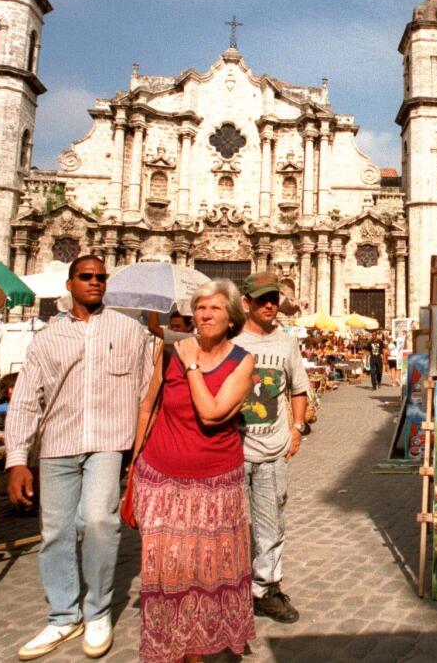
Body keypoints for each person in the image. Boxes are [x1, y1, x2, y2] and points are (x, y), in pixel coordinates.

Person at [5, 256, 153, 661]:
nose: (95, 282)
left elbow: (145, 392)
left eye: (101, 277)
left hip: (108, 442)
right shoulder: (46, 339)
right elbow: (24, 402)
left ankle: (98, 610)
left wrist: (141, 450)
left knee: (101, 522)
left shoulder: (130, 332)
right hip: (57, 443)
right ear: (69, 284)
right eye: (86, 277)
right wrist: (17, 458)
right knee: (55, 531)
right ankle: (62, 615)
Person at [132, 279, 256, 663]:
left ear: (232, 317)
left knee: (207, 569)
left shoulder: (242, 360)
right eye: (200, 308)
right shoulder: (168, 352)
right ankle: (173, 644)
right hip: (160, 477)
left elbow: (211, 412)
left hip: (216, 482)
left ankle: (199, 642)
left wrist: (190, 365)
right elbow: (147, 406)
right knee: (166, 568)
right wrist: (134, 468)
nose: (205, 315)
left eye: (216, 308)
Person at [234, 272, 310, 623]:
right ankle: (230, 587)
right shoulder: (228, 339)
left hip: (271, 450)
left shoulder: (286, 342)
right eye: (262, 299)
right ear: (245, 303)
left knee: (272, 522)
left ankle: (265, 588)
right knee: (229, 524)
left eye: (274, 299)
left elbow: (298, 388)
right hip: (231, 451)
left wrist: (296, 429)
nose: (269, 305)